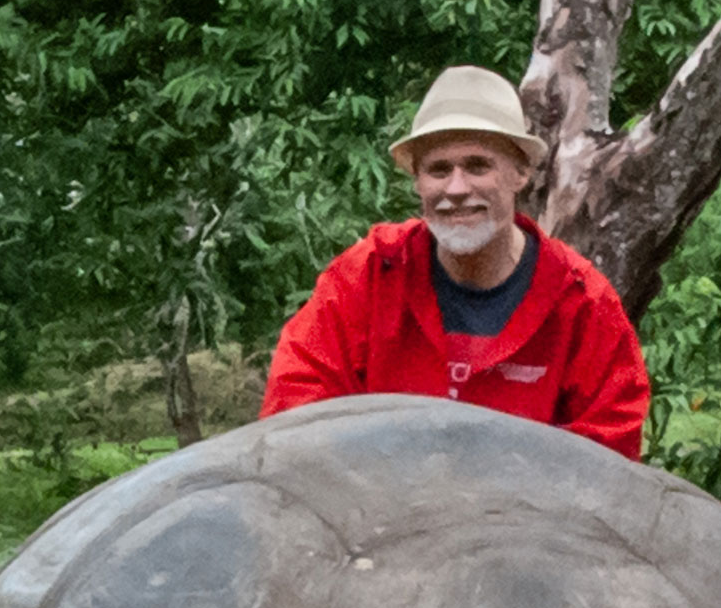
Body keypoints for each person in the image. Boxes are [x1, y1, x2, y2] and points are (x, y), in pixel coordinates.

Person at [259, 66, 652, 458]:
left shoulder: (583, 304)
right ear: (417, 182)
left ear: (521, 174)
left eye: (478, 166)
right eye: (438, 170)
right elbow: (294, 419)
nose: (457, 188)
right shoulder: (368, 277)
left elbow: (608, 465)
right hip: (378, 513)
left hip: (524, 518)